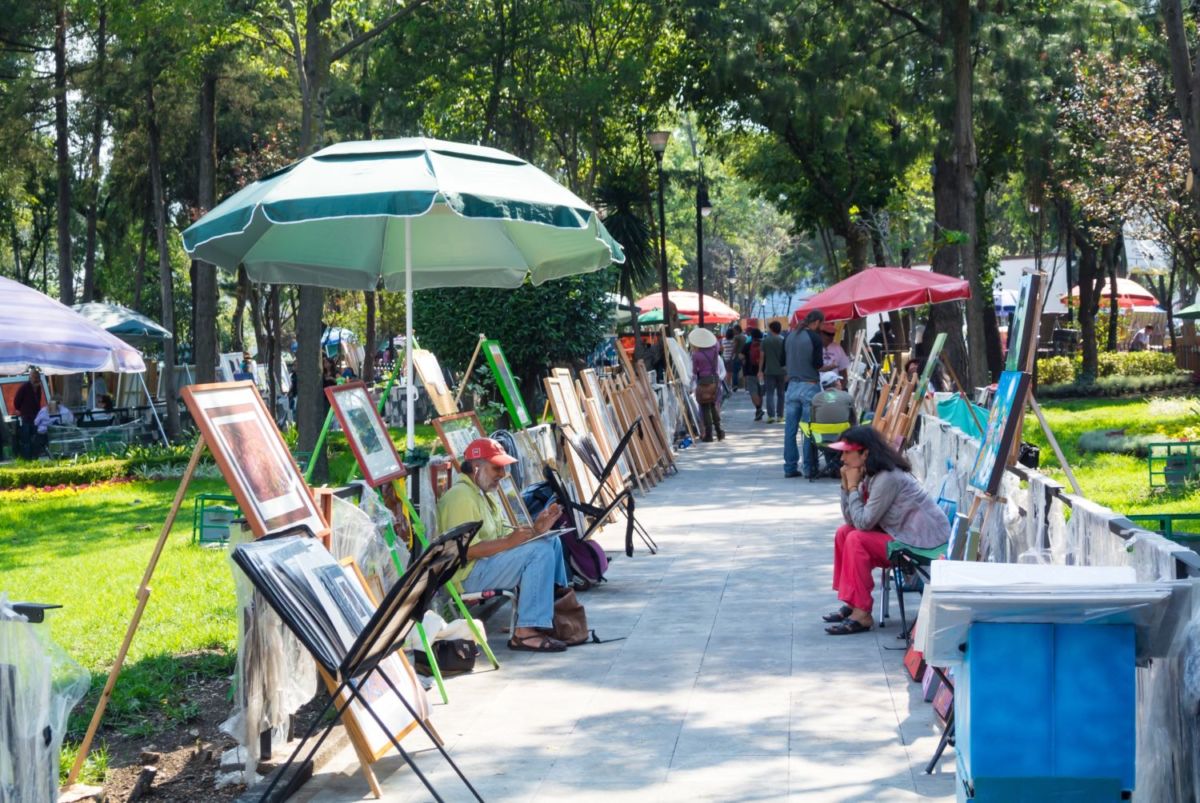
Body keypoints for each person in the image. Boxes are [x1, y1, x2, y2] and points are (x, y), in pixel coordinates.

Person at [437, 438, 570, 653]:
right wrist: (510, 542)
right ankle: (525, 632)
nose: (502, 473)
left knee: (550, 541)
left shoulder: (482, 493)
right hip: (468, 576)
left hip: (487, 565)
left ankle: (555, 613)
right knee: (540, 551)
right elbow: (465, 551)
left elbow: (505, 535)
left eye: (503, 468)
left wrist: (537, 529)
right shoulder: (461, 497)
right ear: (476, 467)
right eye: (496, 468)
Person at [822, 426, 951, 634]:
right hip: (899, 534)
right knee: (844, 532)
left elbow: (863, 523)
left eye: (847, 452)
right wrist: (846, 487)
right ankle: (853, 602)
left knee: (856, 539)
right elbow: (852, 519)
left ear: (865, 453)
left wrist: (853, 488)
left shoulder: (887, 477)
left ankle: (862, 614)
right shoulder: (869, 474)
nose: (842, 459)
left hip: (921, 544)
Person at [783, 310, 826, 478]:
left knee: (790, 429)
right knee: (808, 429)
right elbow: (818, 364)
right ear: (817, 322)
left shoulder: (789, 336)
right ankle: (809, 467)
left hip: (792, 386)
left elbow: (782, 361)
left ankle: (789, 467)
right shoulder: (815, 338)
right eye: (822, 323)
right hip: (810, 386)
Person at [689, 328, 726, 442]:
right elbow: (717, 345)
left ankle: (709, 434)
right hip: (715, 381)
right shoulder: (714, 352)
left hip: (703, 382)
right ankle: (719, 431)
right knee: (713, 405)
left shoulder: (696, 355)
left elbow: (694, 371)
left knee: (705, 406)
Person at [759, 320, 787, 423]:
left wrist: (760, 370)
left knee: (770, 393)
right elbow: (787, 356)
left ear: (771, 329)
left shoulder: (765, 341)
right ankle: (780, 416)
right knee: (781, 394)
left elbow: (762, 357)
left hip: (769, 371)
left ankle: (770, 416)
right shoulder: (784, 340)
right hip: (782, 371)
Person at [14, 368, 44, 460]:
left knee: (35, 437)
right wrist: (20, 410)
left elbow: (38, 401)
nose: (36, 379)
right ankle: (27, 458)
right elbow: (16, 401)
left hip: (36, 416)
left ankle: (35, 457)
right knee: (26, 438)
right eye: (34, 377)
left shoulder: (38, 388)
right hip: (26, 416)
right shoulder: (24, 387)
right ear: (30, 377)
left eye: (37, 377)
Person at [742, 326, 765, 421]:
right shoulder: (763, 345)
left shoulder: (748, 345)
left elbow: (740, 356)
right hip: (762, 372)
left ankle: (758, 409)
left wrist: (744, 359)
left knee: (753, 392)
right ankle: (759, 410)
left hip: (750, 371)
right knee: (760, 392)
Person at [730, 325, 746, 390]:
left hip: (737, 356)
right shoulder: (744, 337)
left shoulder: (736, 337)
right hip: (743, 356)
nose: (733, 331)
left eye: (734, 330)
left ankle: (735, 385)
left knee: (735, 371)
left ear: (737, 330)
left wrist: (731, 355)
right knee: (744, 371)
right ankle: (745, 385)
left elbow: (734, 347)